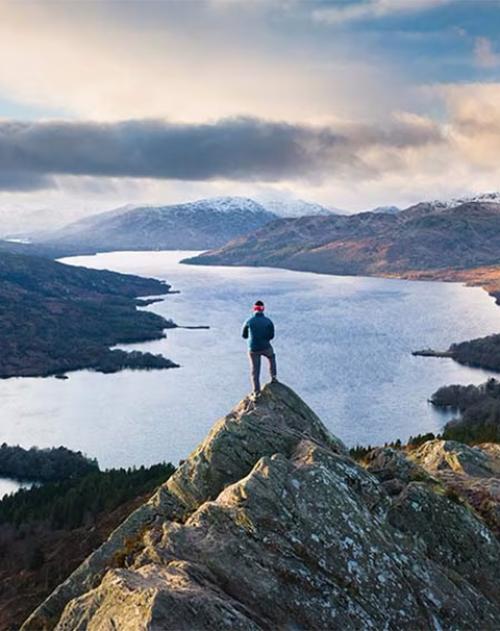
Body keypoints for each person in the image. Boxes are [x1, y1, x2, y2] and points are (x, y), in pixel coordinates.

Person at [242, 300, 277, 395]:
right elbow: (271, 336)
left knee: (255, 370)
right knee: (271, 357)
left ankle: (256, 391)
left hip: (253, 348)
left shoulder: (248, 321)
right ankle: (273, 377)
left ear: (254, 309)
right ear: (263, 309)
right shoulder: (268, 321)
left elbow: (244, 335)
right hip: (265, 346)